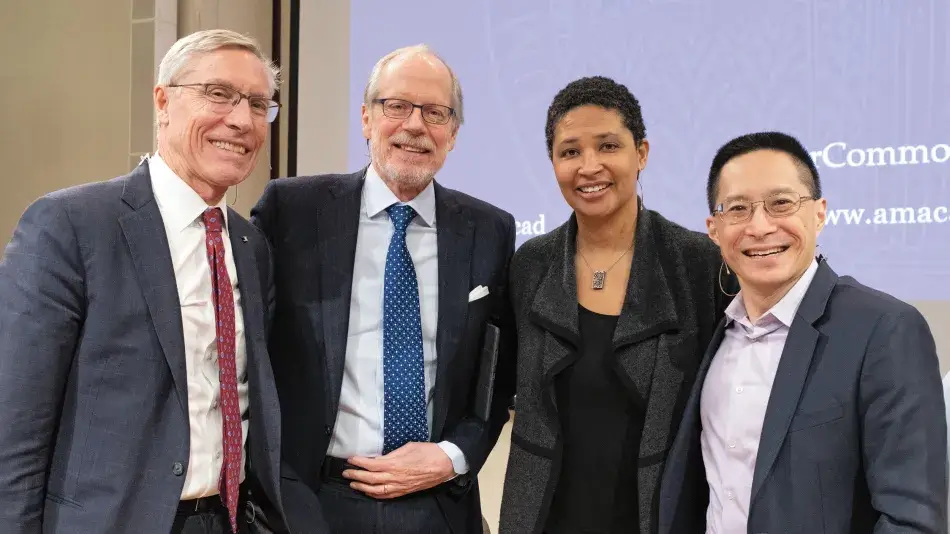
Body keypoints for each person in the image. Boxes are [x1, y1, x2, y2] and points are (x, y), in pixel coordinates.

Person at [0, 29, 302, 533]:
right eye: (218, 94)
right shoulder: (72, 225)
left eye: (257, 103)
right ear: (163, 101)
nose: (241, 120)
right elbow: (15, 421)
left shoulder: (252, 247)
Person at [250, 44, 517, 534]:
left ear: (453, 134)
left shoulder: (490, 230)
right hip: (313, 502)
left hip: (439, 505)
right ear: (367, 118)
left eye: (436, 112)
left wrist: (454, 455)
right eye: (396, 106)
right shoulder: (292, 212)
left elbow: (497, 376)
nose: (415, 125)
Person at [659, 131, 948, 533]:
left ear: (819, 213)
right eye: (738, 208)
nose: (759, 227)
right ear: (714, 229)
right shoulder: (709, 331)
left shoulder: (883, 329)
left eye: (781, 203)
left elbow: (911, 520)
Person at [498, 76, 732, 534]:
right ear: (552, 162)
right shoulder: (531, 264)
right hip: (544, 520)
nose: (589, 167)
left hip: (660, 517)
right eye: (570, 152)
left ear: (641, 153)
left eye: (608, 146)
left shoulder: (698, 262)